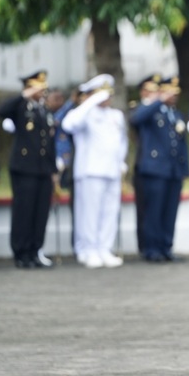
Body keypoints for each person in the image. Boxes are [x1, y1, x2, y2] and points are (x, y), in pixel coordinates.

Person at [61, 74, 128, 268]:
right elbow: (68, 125)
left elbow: (121, 142)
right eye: (102, 95)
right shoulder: (85, 114)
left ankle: (104, 248)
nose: (107, 99)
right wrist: (90, 102)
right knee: (89, 214)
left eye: (108, 95)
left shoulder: (116, 115)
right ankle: (89, 250)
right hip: (90, 171)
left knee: (109, 212)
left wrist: (121, 161)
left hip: (112, 170)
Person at [0, 70, 58, 269]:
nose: (42, 93)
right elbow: (2, 111)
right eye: (38, 88)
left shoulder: (44, 110)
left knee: (40, 212)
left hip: (43, 168)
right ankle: (21, 252)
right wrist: (24, 95)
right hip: (24, 168)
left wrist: (54, 169)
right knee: (24, 211)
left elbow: (49, 141)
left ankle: (35, 250)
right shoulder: (21, 106)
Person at [129, 75, 189, 262]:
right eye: (169, 92)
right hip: (154, 169)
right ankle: (152, 248)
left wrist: (184, 168)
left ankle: (166, 246)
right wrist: (158, 100)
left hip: (173, 170)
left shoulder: (175, 114)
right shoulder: (151, 110)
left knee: (169, 211)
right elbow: (136, 119)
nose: (173, 97)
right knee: (153, 211)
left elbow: (182, 144)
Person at [130, 73, 163, 258]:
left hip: (161, 166)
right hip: (145, 165)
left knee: (158, 209)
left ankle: (159, 246)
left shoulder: (162, 109)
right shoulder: (140, 108)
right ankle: (147, 247)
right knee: (147, 210)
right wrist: (156, 102)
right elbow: (136, 120)